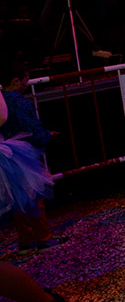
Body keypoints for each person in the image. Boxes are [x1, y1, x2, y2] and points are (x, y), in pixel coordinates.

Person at [0, 64, 68, 253]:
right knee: (34, 194)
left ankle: (25, 241)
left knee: (16, 198)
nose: (26, 85)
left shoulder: (1, 100)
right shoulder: (17, 101)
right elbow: (31, 128)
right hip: (21, 152)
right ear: (16, 81)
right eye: (25, 81)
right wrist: (46, 135)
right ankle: (43, 237)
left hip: (4, 153)